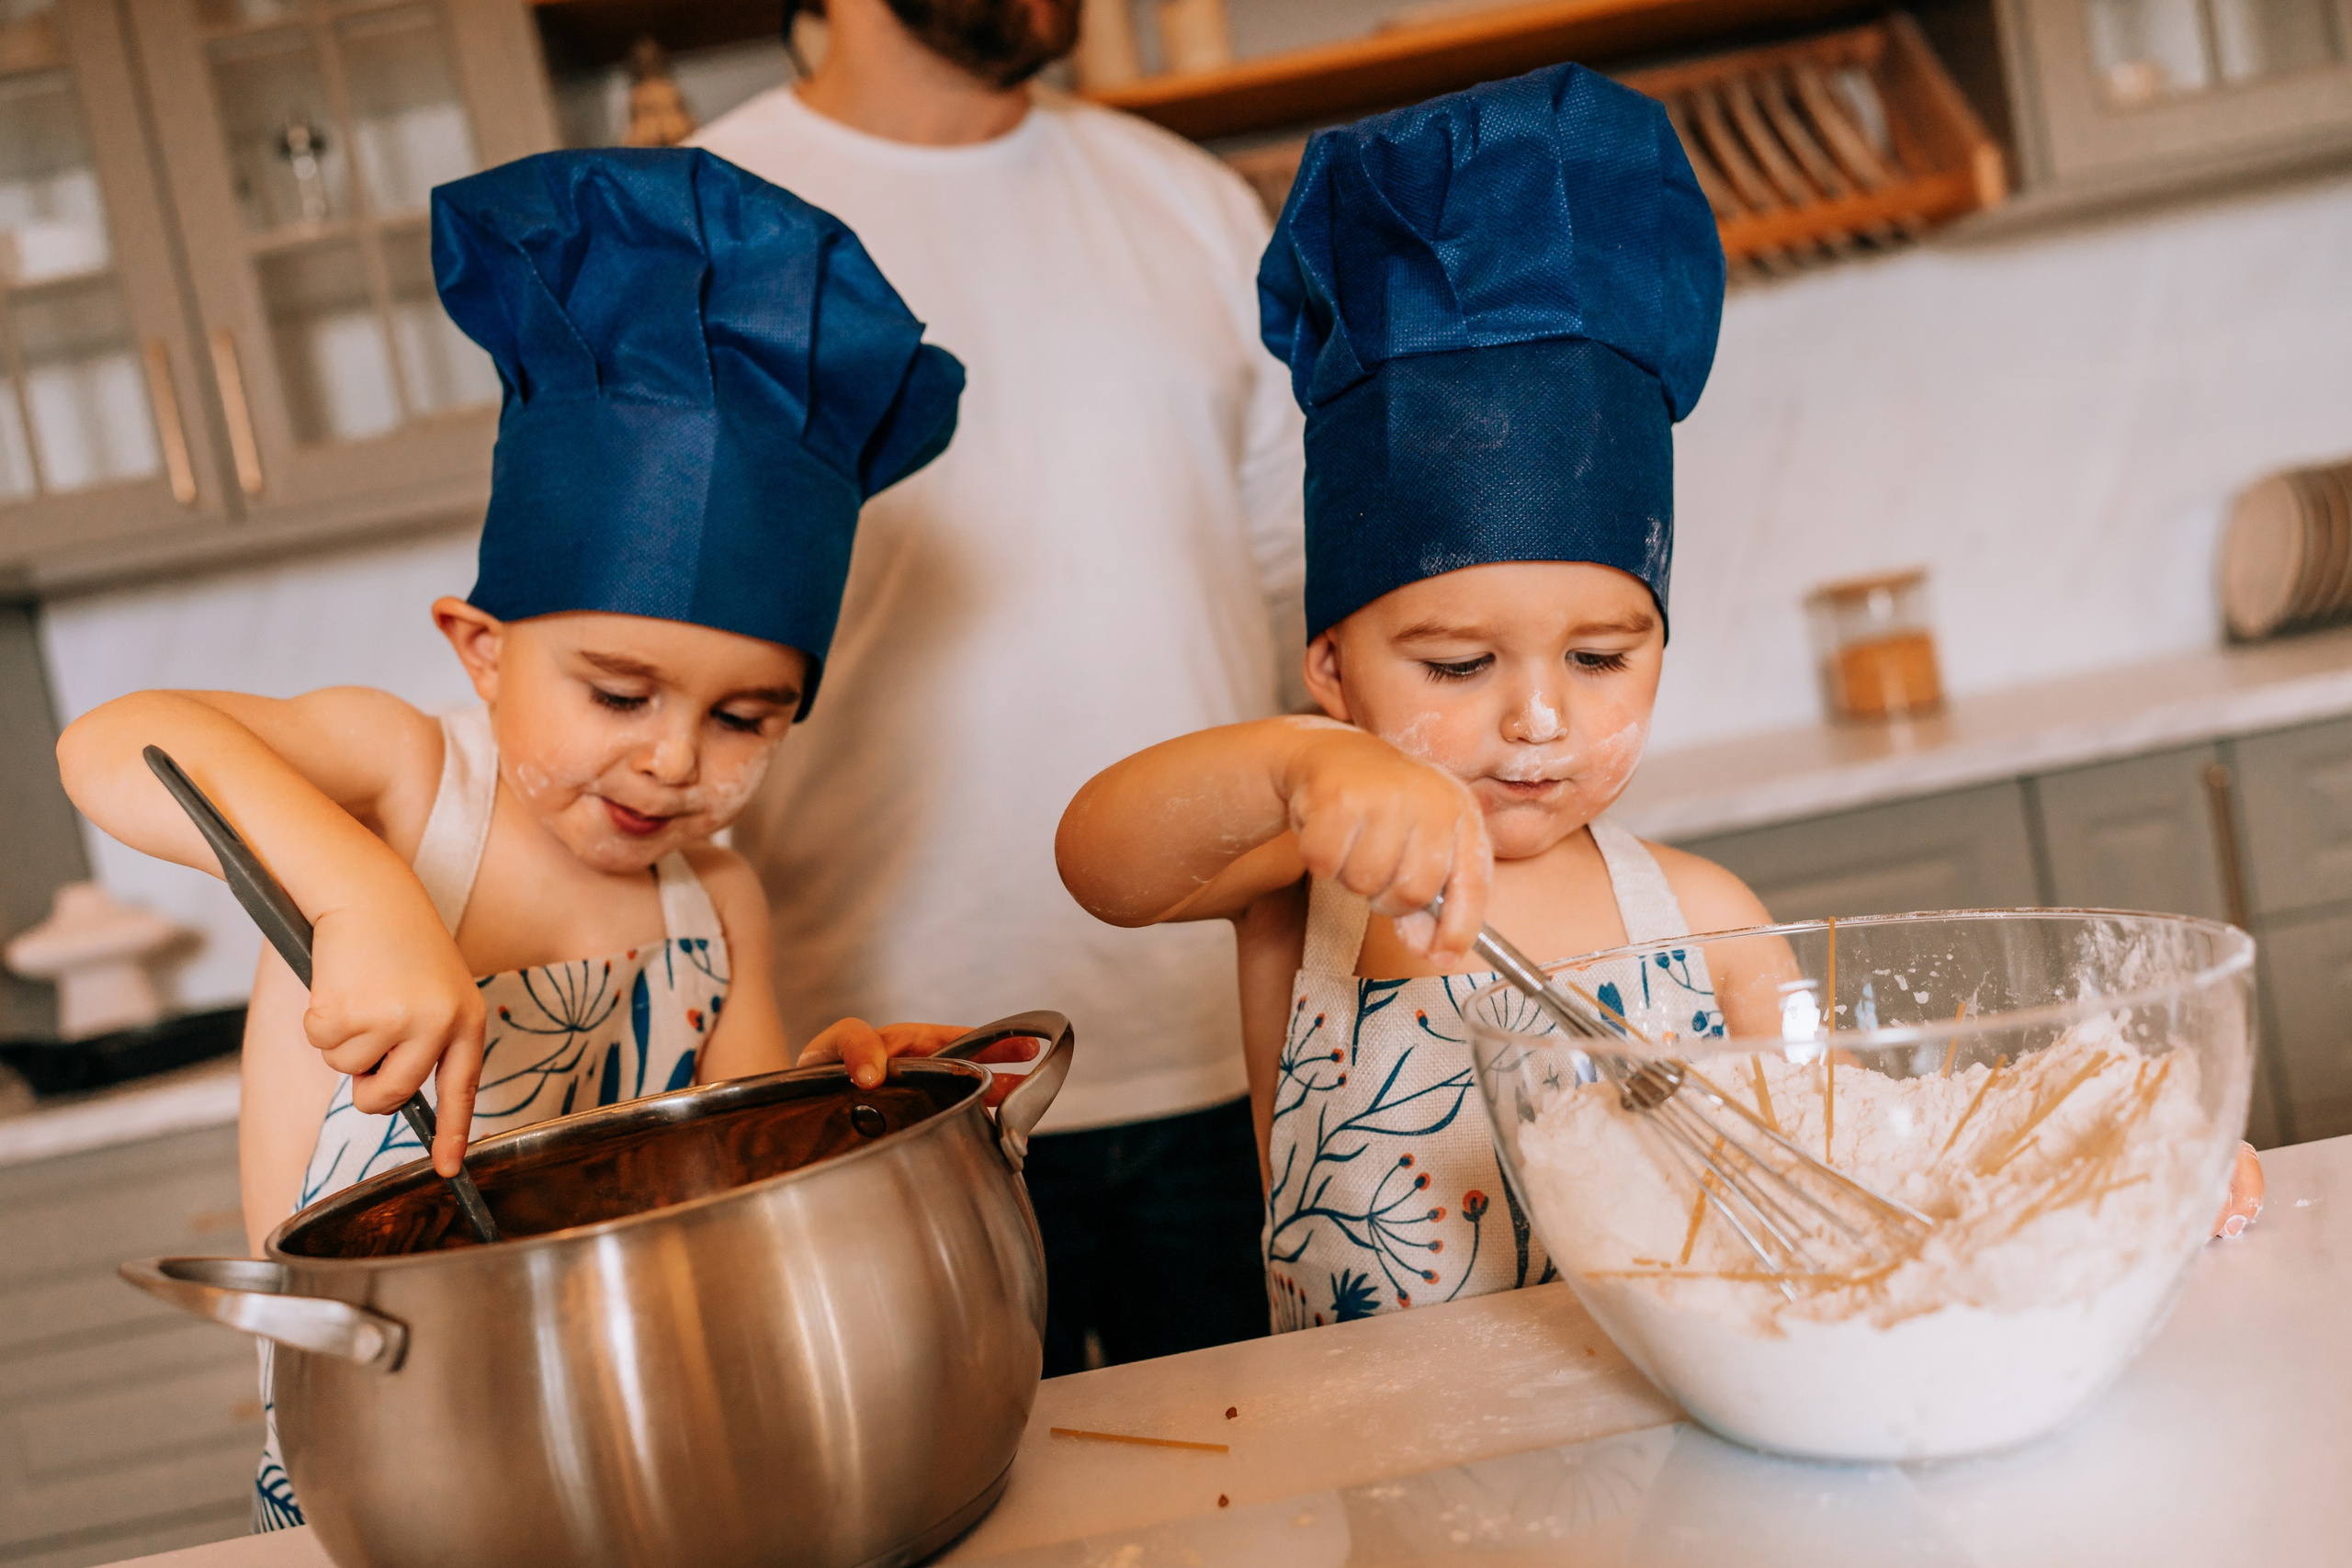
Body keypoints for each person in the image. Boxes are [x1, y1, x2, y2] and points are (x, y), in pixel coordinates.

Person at [55, 149, 978, 1525]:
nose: (674, 761)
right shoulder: (403, 785)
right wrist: (361, 898)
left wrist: (846, 1107)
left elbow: (737, 1184)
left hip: (646, 1448)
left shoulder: (717, 905)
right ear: (480, 652)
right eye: (618, 692)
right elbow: (114, 743)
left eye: (747, 716)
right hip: (390, 1466)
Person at [1048, 65, 1790, 1325]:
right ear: (1331, 668)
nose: (1539, 720)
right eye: (1458, 666)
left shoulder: (1708, 925)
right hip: (1393, 1503)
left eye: (1601, 657)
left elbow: (1855, 1135)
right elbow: (1099, 863)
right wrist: (1296, 772)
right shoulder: (1307, 888)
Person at [691, 0, 1304, 1369]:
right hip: (886, 1084)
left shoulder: (1189, 203)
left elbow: (1278, 617)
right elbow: (651, 670)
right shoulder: (710, 226)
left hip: (1229, 1054)